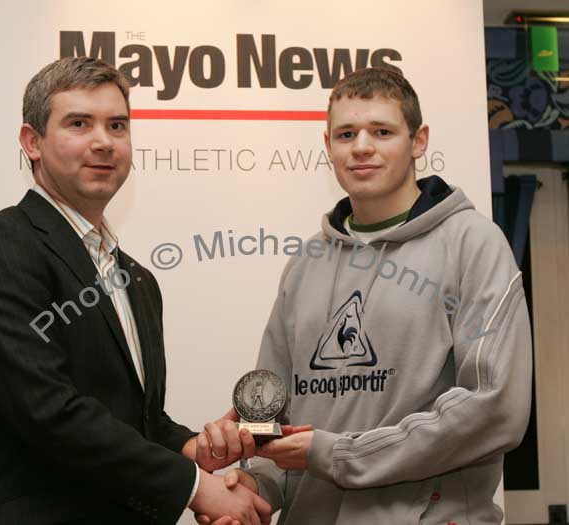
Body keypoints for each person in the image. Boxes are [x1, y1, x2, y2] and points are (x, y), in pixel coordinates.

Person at [0, 57, 271, 525]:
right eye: (79, 123)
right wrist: (197, 489)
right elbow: (47, 411)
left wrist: (192, 447)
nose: (103, 142)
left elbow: (136, 420)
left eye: (117, 125)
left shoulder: (137, 279)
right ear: (32, 142)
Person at [199, 67, 532, 524]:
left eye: (382, 131)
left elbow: (494, 407)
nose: (361, 147)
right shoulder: (305, 264)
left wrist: (339, 454)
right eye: (346, 133)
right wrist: (254, 488)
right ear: (328, 145)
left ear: (419, 141)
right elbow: (269, 414)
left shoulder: (472, 244)